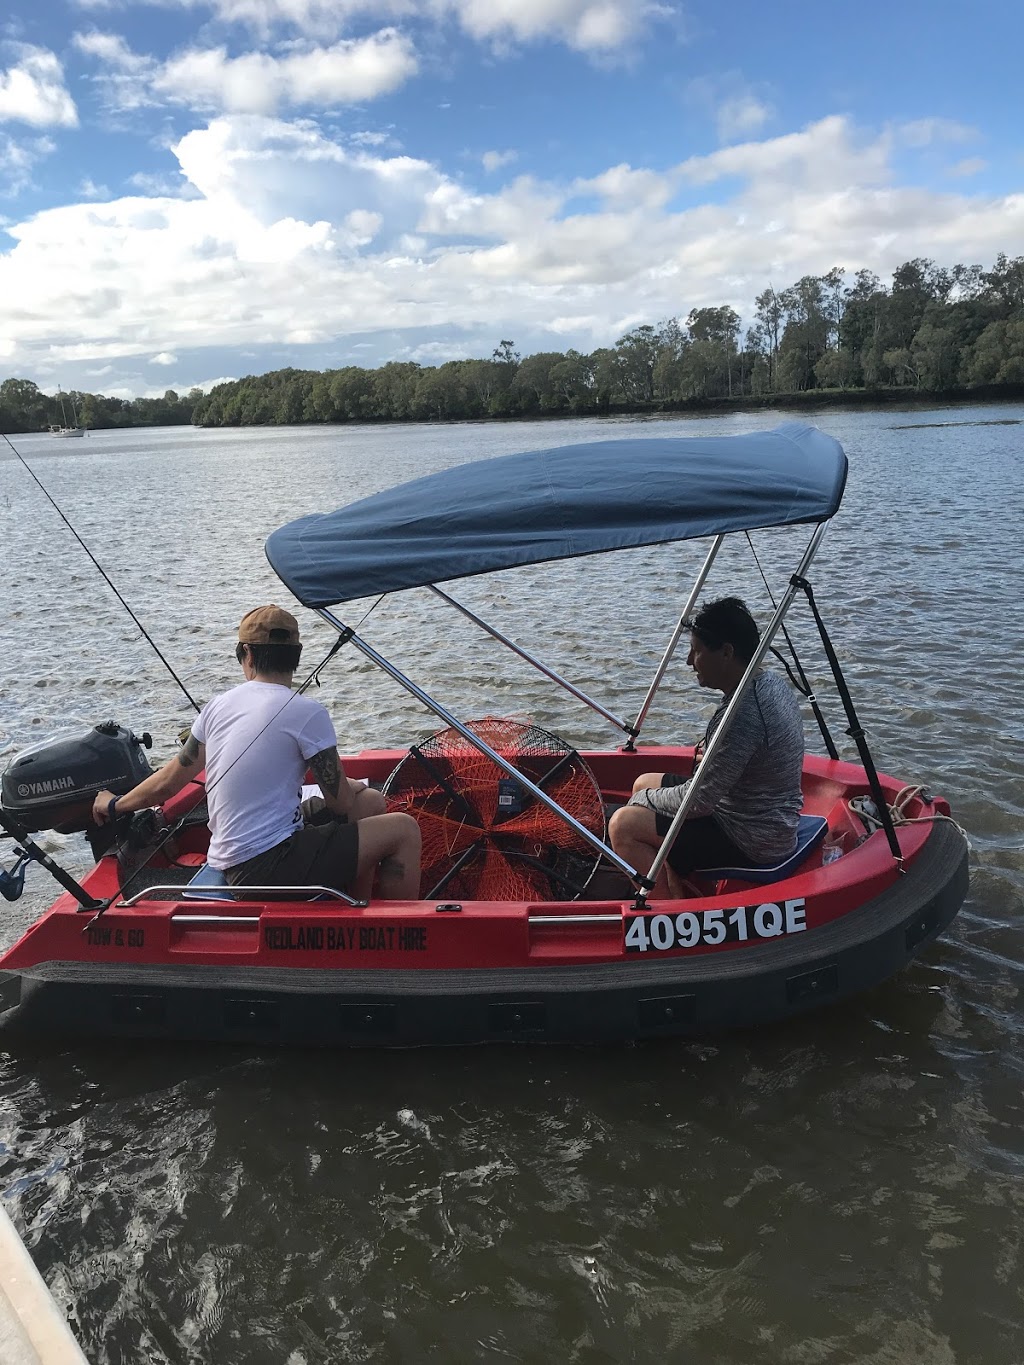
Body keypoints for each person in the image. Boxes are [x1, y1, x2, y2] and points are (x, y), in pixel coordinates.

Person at [92, 604, 421, 900]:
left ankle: (358, 914)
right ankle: (395, 932)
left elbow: (167, 784)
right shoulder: (307, 712)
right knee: (404, 830)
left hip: (244, 855)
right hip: (265, 867)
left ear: (247, 653)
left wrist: (115, 804)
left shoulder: (216, 707)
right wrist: (354, 785)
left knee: (372, 803)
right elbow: (340, 802)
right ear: (297, 655)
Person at [609, 596, 804, 898]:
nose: (689, 661)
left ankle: (666, 915)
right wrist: (646, 795)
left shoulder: (742, 715)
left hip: (752, 837)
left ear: (726, 652)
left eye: (697, 651)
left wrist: (644, 801)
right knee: (642, 782)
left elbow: (698, 802)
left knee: (623, 824)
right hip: (762, 814)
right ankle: (673, 880)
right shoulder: (768, 682)